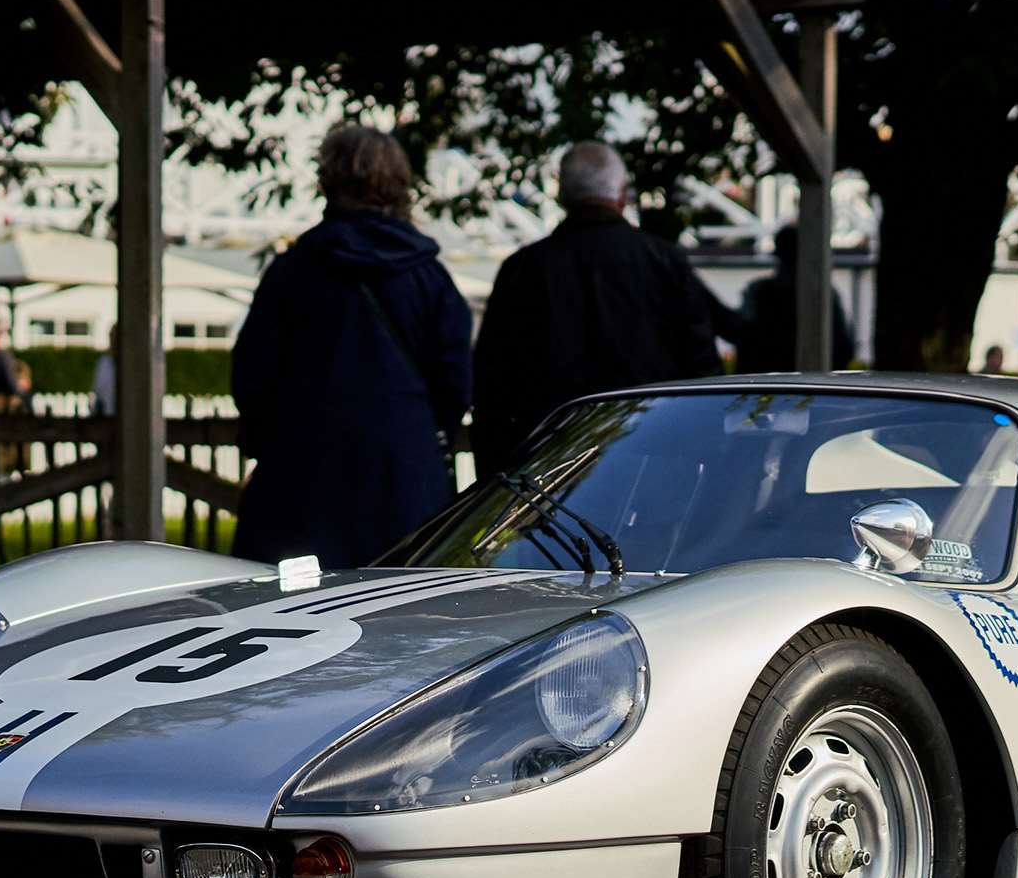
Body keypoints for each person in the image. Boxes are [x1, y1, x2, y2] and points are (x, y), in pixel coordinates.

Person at [230, 124, 472, 568]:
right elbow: (455, 383)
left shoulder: (293, 272)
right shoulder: (429, 278)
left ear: (328, 180)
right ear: (399, 185)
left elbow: (251, 376)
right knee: (405, 612)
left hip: (302, 476)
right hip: (404, 477)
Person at [471, 140, 721, 471]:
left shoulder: (524, 269)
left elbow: (493, 384)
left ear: (562, 195)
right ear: (621, 194)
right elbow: (702, 369)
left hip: (548, 463)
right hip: (652, 453)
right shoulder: (663, 262)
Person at [732, 223, 855, 373]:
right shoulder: (824, 295)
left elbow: (742, 333)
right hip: (814, 381)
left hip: (762, 381)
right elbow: (844, 347)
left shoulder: (759, 292)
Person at [91, 324, 117, 417]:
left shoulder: (130, 365)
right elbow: (97, 392)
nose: (113, 341)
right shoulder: (103, 363)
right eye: (112, 336)